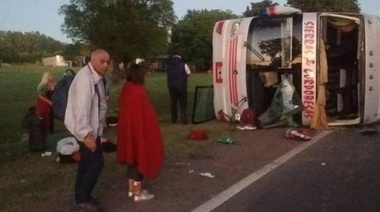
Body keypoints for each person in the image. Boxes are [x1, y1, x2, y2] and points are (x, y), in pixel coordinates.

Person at [64, 49, 110, 212]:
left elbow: (99, 104)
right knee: (96, 163)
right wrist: (86, 134)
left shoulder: (97, 77)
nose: (105, 65)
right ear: (92, 60)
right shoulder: (85, 79)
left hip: (92, 129)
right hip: (85, 130)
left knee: (86, 162)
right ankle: (82, 198)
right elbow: (82, 109)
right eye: (102, 61)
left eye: (107, 62)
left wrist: (99, 127)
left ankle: (81, 195)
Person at [117, 63, 164, 202]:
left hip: (127, 132)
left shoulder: (126, 89)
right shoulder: (139, 92)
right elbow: (146, 115)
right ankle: (138, 193)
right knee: (139, 160)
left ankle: (131, 189)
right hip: (138, 133)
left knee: (131, 160)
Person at [166, 54, 191, 124]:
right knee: (183, 103)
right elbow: (189, 73)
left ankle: (174, 119)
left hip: (172, 86)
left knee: (173, 103)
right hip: (182, 86)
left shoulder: (168, 65)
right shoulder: (184, 64)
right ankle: (184, 119)